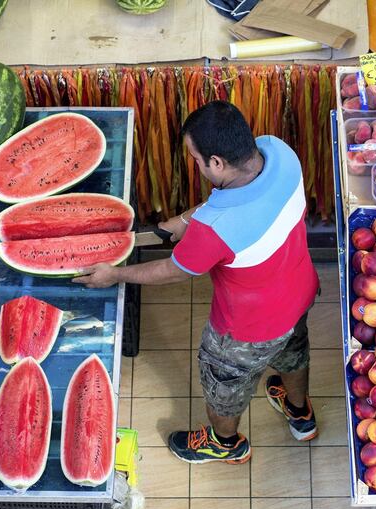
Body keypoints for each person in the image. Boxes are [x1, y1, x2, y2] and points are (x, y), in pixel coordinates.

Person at [74, 100, 320, 465]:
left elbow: (175, 270)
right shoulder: (278, 152)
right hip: (299, 293)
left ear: (217, 162)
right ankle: (300, 415)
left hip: (245, 332)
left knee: (224, 389)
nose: (197, 165)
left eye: (197, 159)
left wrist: (115, 274)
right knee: (293, 352)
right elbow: (219, 203)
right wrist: (173, 225)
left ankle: (225, 443)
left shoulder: (214, 231)